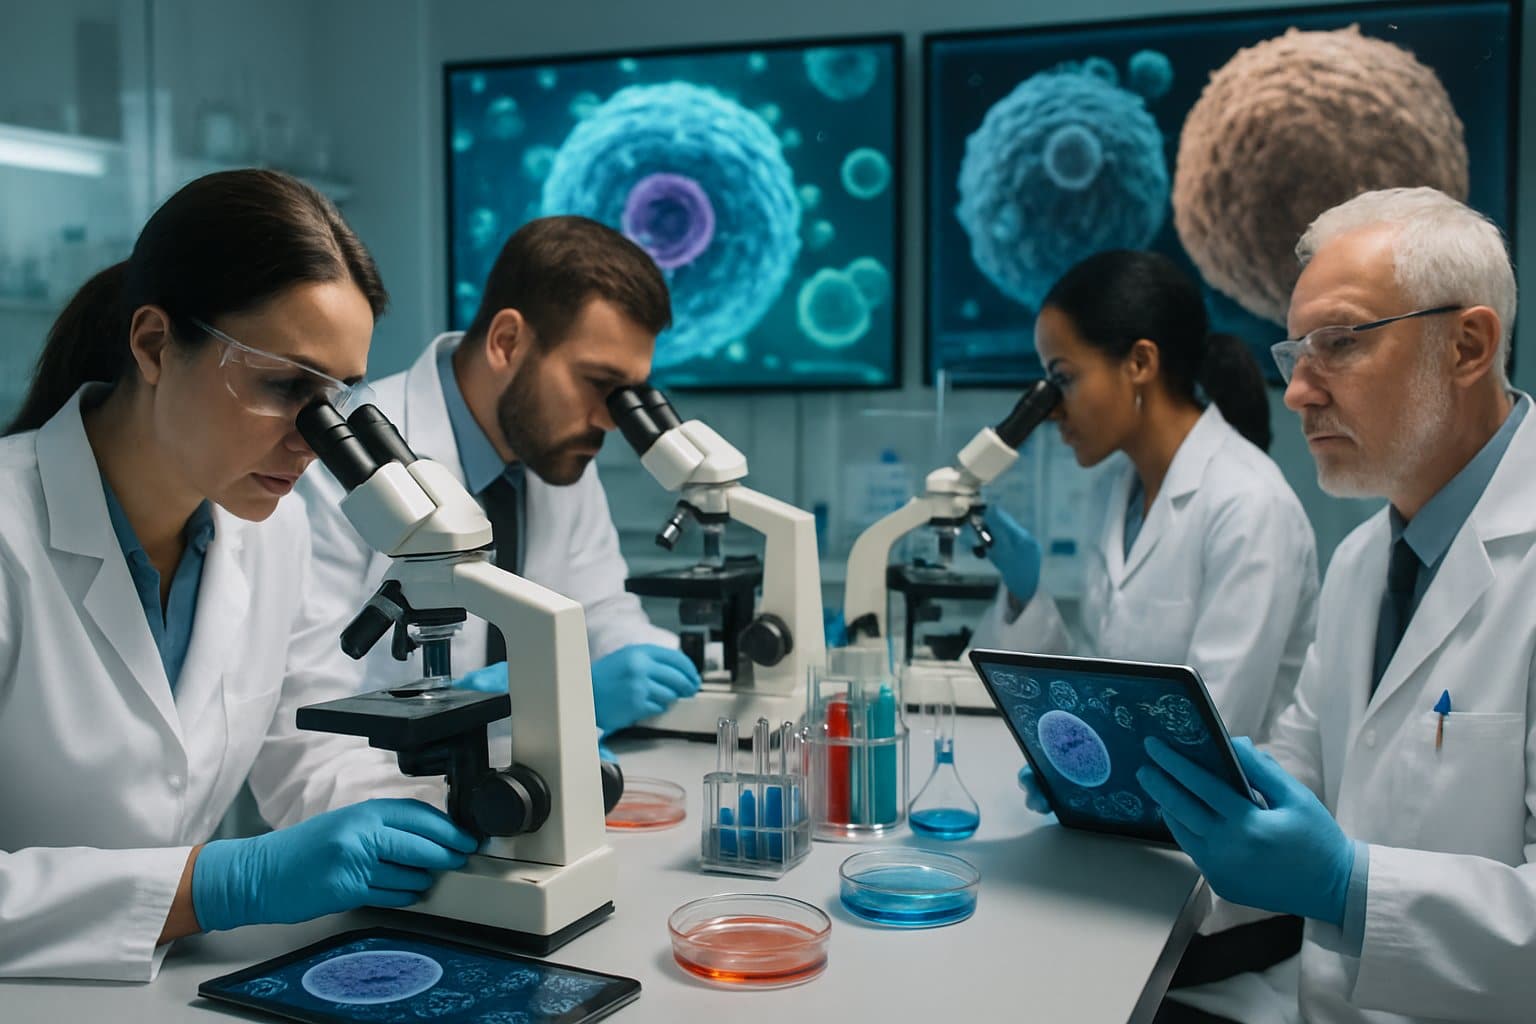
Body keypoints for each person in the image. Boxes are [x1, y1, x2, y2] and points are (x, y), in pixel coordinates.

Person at [0, 170, 475, 982]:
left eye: (337, 398)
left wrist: (451, 824)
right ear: (153, 345)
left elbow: (305, 752)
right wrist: (218, 885)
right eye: (286, 386)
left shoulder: (271, 529)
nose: (312, 440)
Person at [1139, 186, 1536, 1024]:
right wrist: (1127, 795)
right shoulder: (1365, 561)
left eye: (1340, 345)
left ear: (1468, 345)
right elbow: (1295, 780)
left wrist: (1350, 889)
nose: (1298, 394)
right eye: (1295, 355)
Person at [297, 216, 698, 741]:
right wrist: (549, 697)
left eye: (628, 395)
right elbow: (307, 706)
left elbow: (598, 609)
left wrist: (645, 661)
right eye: (599, 383)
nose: (609, 419)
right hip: (387, 786)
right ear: (507, 342)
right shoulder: (339, 463)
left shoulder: (562, 454)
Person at [976, 250, 1319, 748]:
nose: (1051, 412)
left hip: (1221, 813)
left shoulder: (1249, 503)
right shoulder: (1115, 490)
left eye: (1063, 379)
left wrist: (1084, 764)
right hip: (1135, 801)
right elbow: (1098, 680)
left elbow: (1214, 725)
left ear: (1140, 363)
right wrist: (1023, 591)